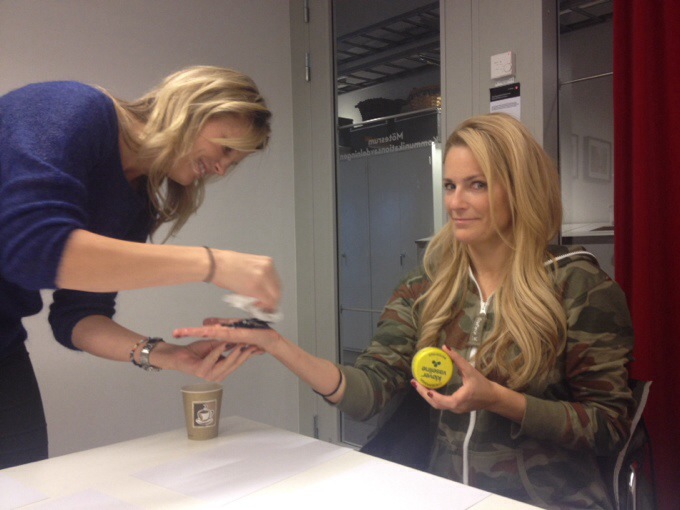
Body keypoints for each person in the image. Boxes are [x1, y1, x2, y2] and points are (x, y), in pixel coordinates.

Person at [174, 113, 635, 509]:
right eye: (450, 185)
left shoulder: (578, 286)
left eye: (476, 185)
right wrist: (275, 344)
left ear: (519, 190)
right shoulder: (428, 286)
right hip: (445, 495)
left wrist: (500, 400)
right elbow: (370, 390)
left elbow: (610, 426)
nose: (455, 202)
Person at [0, 66, 280, 469]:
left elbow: (78, 317)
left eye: (233, 163)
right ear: (195, 105)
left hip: (4, 345)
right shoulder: (73, 107)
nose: (222, 168)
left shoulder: (137, 204)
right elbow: (33, 249)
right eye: (227, 149)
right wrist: (212, 264)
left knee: (27, 485)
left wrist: (169, 356)